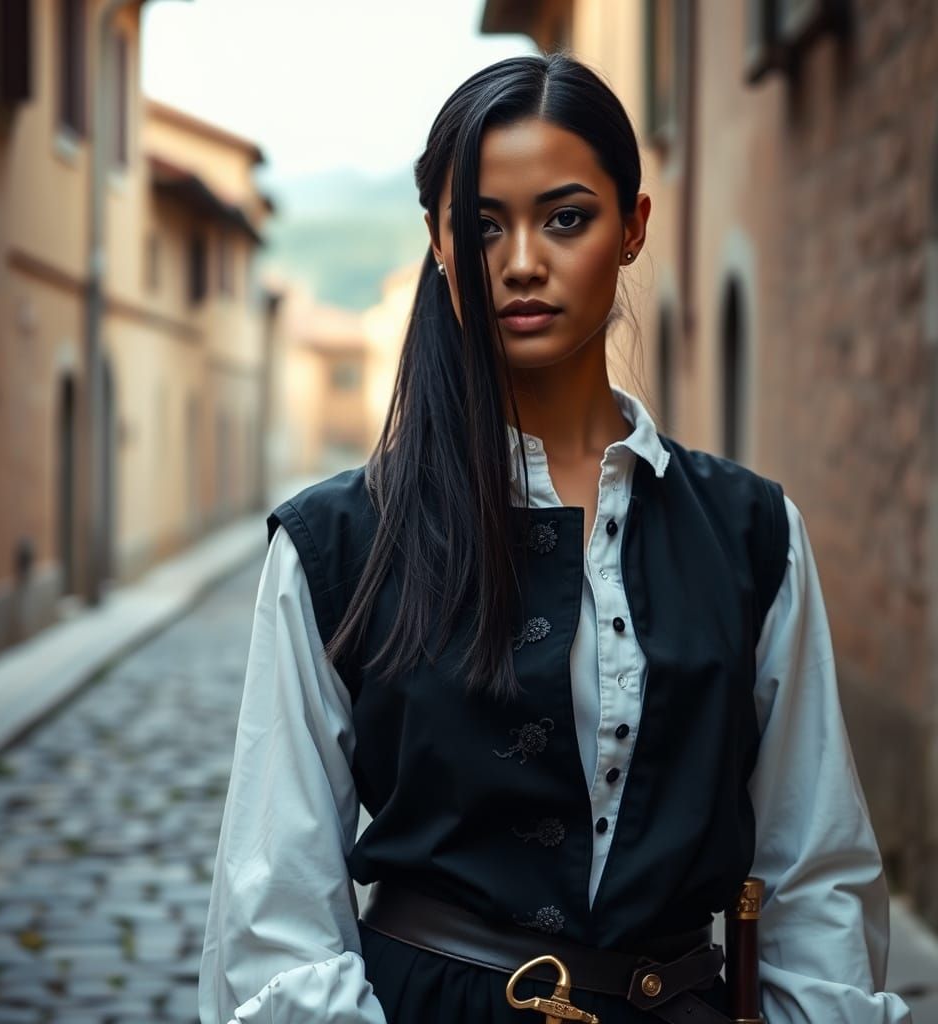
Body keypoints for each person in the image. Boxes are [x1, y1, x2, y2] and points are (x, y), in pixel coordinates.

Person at [198, 53, 913, 1024]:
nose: (522, 261)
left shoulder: (751, 534)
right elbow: (274, 905)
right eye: (483, 224)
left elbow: (814, 871)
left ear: (633, 227)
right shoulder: (335, 547)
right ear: (438, 241)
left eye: (566, 218)